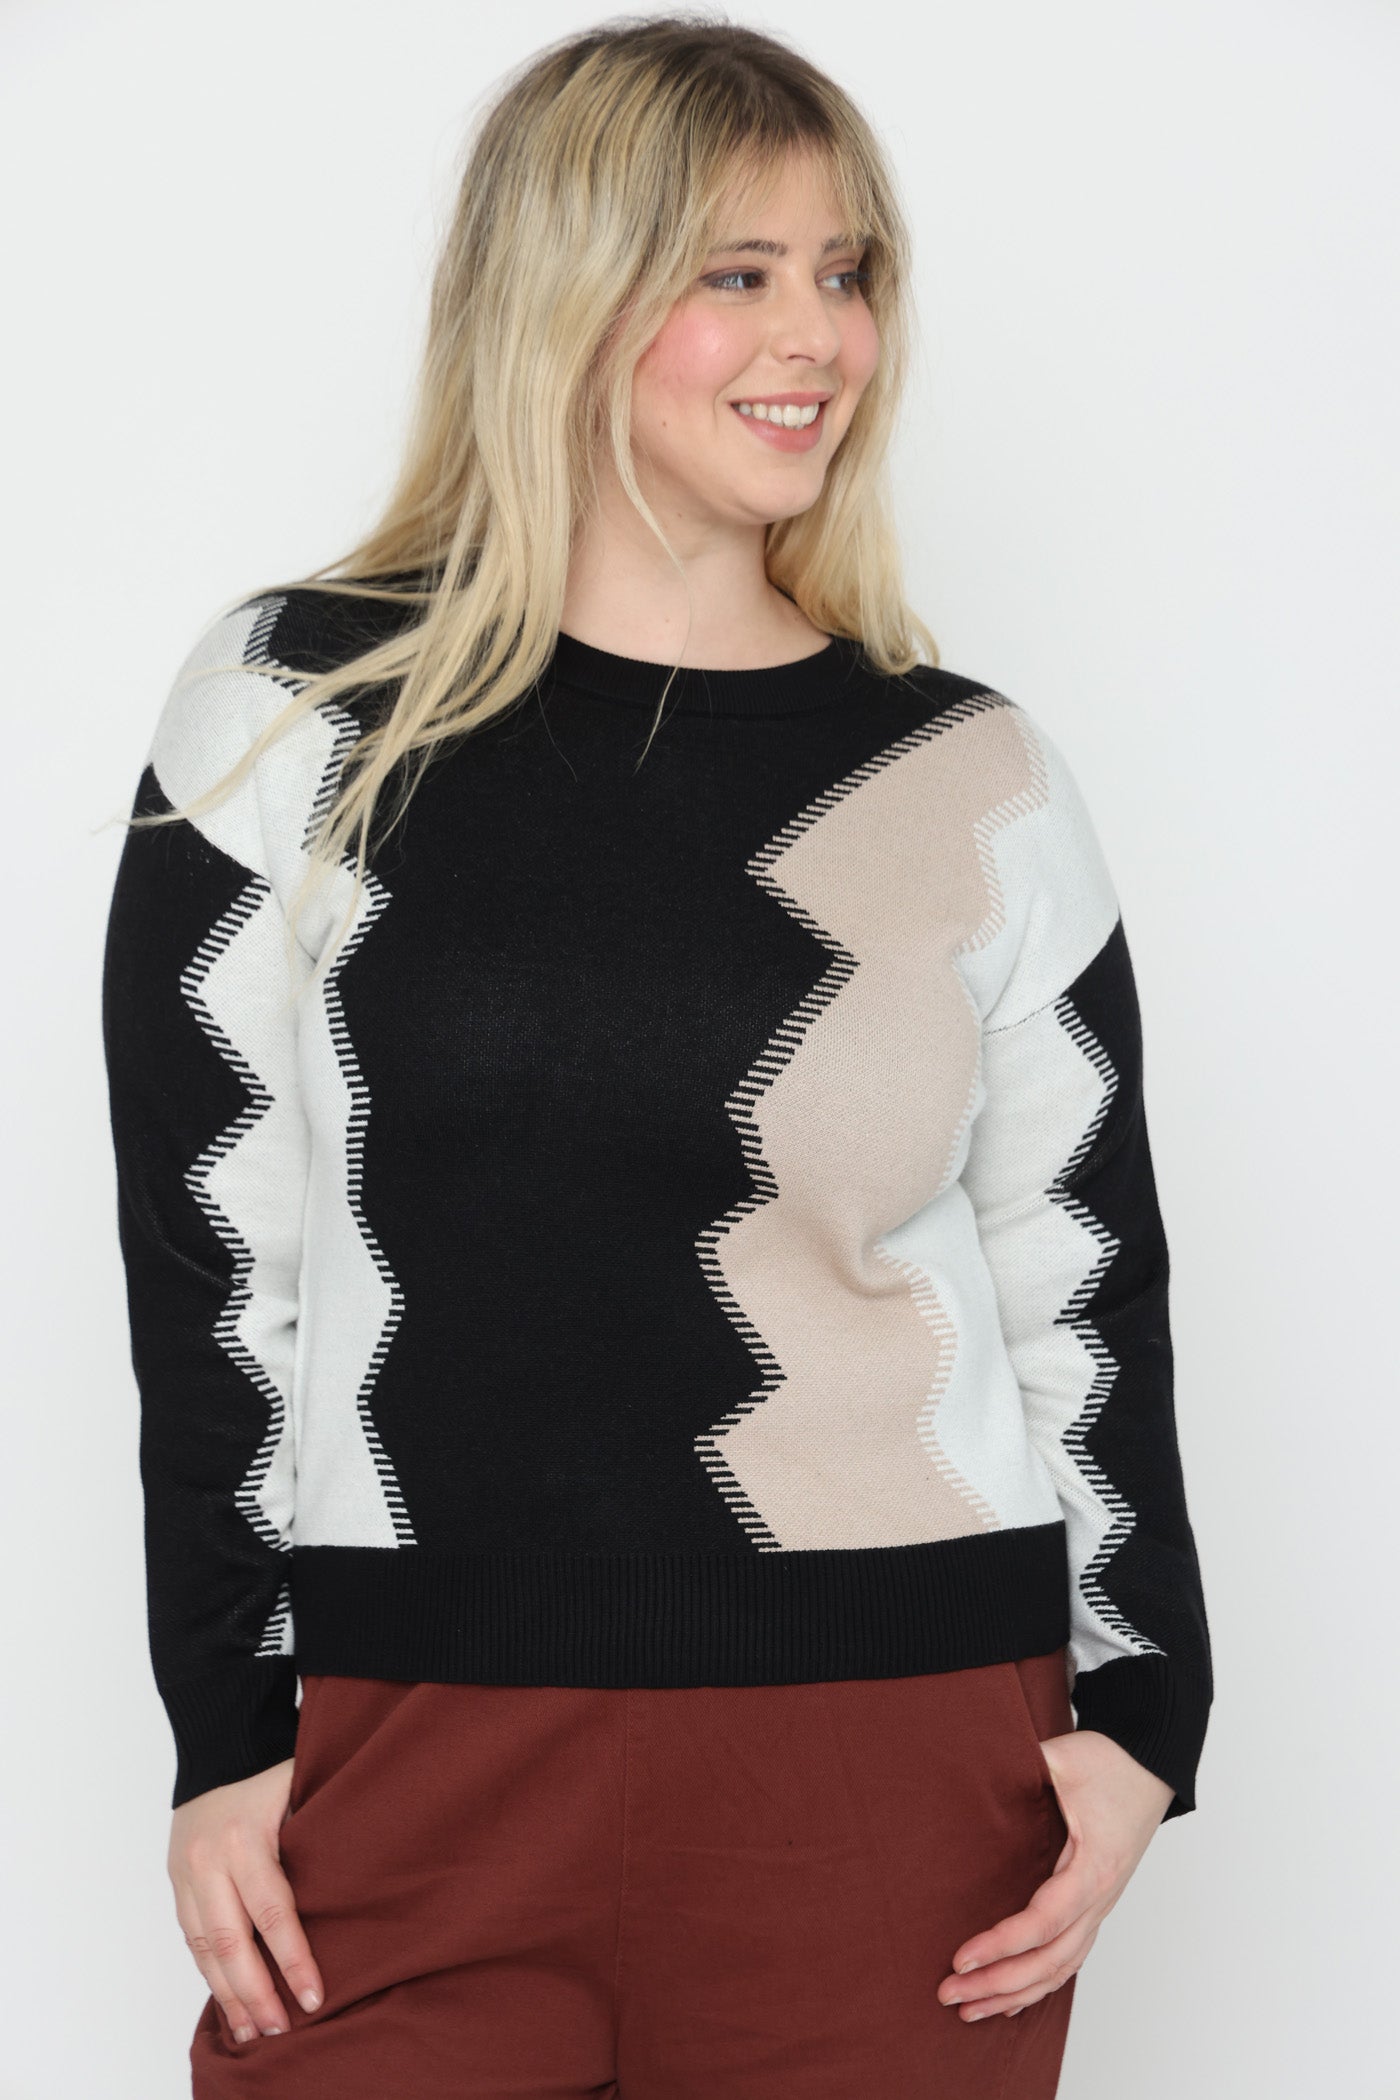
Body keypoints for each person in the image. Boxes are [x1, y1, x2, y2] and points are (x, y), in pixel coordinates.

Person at [99, 16, 1213, 2098]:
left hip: (898, 1766)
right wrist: (228, 1729)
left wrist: (1147, 1712)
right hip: (413, 1755)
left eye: (846, 271)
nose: (819, 337)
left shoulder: (969, 776)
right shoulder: (300, 717)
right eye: (738, 271)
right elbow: (215, 1262)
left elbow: (1079, 1275)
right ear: (568, 293)